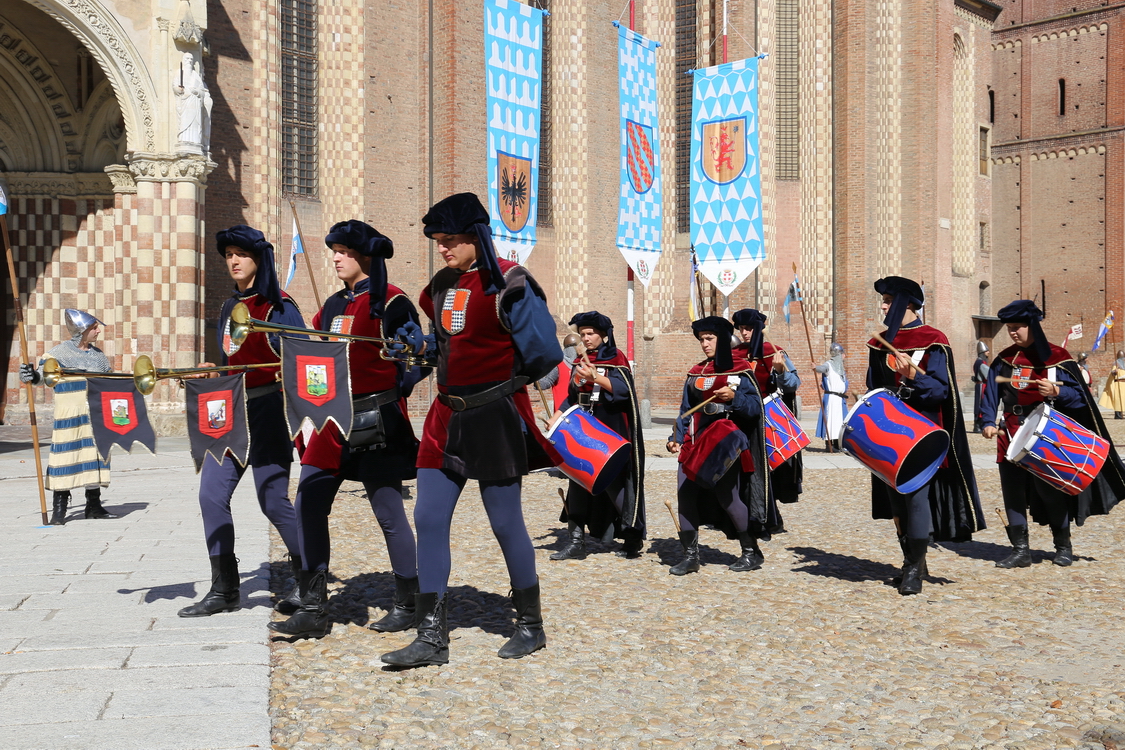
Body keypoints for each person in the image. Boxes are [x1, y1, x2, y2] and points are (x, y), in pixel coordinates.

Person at [380, 193, 562, 668]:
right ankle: (431, 638)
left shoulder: (511, 284)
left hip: (495, 415)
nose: (442, 248)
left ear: (475, 237)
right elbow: (442, 347)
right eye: (438, 241)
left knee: (505, 523)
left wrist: (508, 380)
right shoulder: (439, 285)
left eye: (451, 240)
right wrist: (415, 356)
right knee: (429, 517)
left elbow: (545, 354)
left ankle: (530, 625)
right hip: (445, 416)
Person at [268, 220, 425, 639]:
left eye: (343, 251)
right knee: (309, 500)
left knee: (388, 512)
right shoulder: (333, 305)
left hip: (377, 421)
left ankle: (409, 601)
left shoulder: (392, 303)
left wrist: (398, 381)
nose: (335, 257)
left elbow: (417, 361)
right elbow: (310, 353)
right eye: (334, 250)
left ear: (364, 256)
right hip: (331, 421)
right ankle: (314, 605)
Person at [177, 226, 305, 617]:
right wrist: (210, 373)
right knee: (210, 496)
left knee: (272, 502)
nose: (232, 261)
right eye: (228, 254)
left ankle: (310, 579)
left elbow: (302, 361)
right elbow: (232, 365)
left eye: (240, 254)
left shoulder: (280, 307)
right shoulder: (226, 308)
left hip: (269, 414)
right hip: (230, 414)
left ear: (258, 259)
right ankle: (224, 590)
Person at [981, 301, 1125, 568]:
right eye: (1009, 328)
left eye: (1018, 327)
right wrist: (988, 421)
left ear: (1032, 326)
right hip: (1010, 432)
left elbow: (1082, 399)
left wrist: (1059, 393)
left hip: (1047, 435)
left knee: (1049, 492)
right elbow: (990, 395)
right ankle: (1020, 550)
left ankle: (1063, 546)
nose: (1013, 332)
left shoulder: (1058, 358)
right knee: (1012, 492)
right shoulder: (1003, 360)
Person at [865, 276, 984, 595]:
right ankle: (911, 560)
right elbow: (873, 386)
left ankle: (915, 569)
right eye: (884, 301)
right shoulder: (880, 342)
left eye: (889, 301)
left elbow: (940, 391)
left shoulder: (934, 340)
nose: (884, 306)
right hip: (888, 433)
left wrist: (912, 375)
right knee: (896, 504)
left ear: (907, 304)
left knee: (916, 499)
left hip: (922, 434)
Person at [666, 316, 766, 575]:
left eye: (709, 338)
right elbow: (685, 410)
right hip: (695, 442)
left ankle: (750, 551)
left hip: (724, 442)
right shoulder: (696, 372)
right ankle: (690, 556)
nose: (704, 344)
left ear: (722, 340)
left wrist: (734, 397)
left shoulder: (740, 369)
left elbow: (755, 409)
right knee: (685, 495)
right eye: (701, 339)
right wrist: (676, 437)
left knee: (727, 497)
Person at [548, 311, 645, 561]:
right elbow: (572, 395)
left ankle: (632, 536)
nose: (586, 338)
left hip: (610, 429)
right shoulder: (582, 360)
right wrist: (556, 415)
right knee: (578, 482)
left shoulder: (616, 357)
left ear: (603, 334)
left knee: (613, 485)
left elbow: (624, 391)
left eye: (590, 333)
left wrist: (597, 377)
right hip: (584, 429)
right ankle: (576, 541)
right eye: (583, 334)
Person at [19, 309, 116, 525]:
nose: (98, 331)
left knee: (96, 458)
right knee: (65, 458)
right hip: (69, 415)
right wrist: (32, 375)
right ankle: (59, 509)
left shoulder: (98, 356)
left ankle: (93, 506)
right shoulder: (57, 354)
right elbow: (43, 378)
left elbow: (109, 382)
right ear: (82, 331)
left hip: (94, 414)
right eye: (94, 328)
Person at [732, 308, 801, 535]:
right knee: (744, 468)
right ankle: (753, 515)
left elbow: (792, 384)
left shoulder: (775, 352)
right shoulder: (735, 354)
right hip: (740, 418)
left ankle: (767, 518)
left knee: (765, 470)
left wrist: (781, 371)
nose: (744, 333)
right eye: (741, 328)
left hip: (767, 420)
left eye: (749, 328)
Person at [814, 342, 848, 450]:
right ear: (838, 354)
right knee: (831, 421)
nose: (844, 356)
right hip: (832, 399)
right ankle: (830, 445)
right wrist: (816, 368)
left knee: (840, 422)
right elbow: (822, 369)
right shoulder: (828, 364)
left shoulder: (841, 368)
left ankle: (838, 444)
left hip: (840, 398)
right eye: (842, 353)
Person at [970, 341, 990, 433]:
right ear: (983, 352)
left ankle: (978, 425)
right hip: (982, 386)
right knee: (980, 405)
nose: (988, 352)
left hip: (979, 385)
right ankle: (978, 426)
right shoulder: (981, 363)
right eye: (987, 351)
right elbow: (988, 375)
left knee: (979, 404)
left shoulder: (977, 362)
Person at [1099, 350, 1125, 419]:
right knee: (1118, 400)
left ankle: (1122, 414)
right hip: (1118, 384)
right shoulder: (1116, 364)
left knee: (1123, 400)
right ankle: (1118, 415)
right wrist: (1115, 371)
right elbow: (1112, 373)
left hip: (1124, 384)